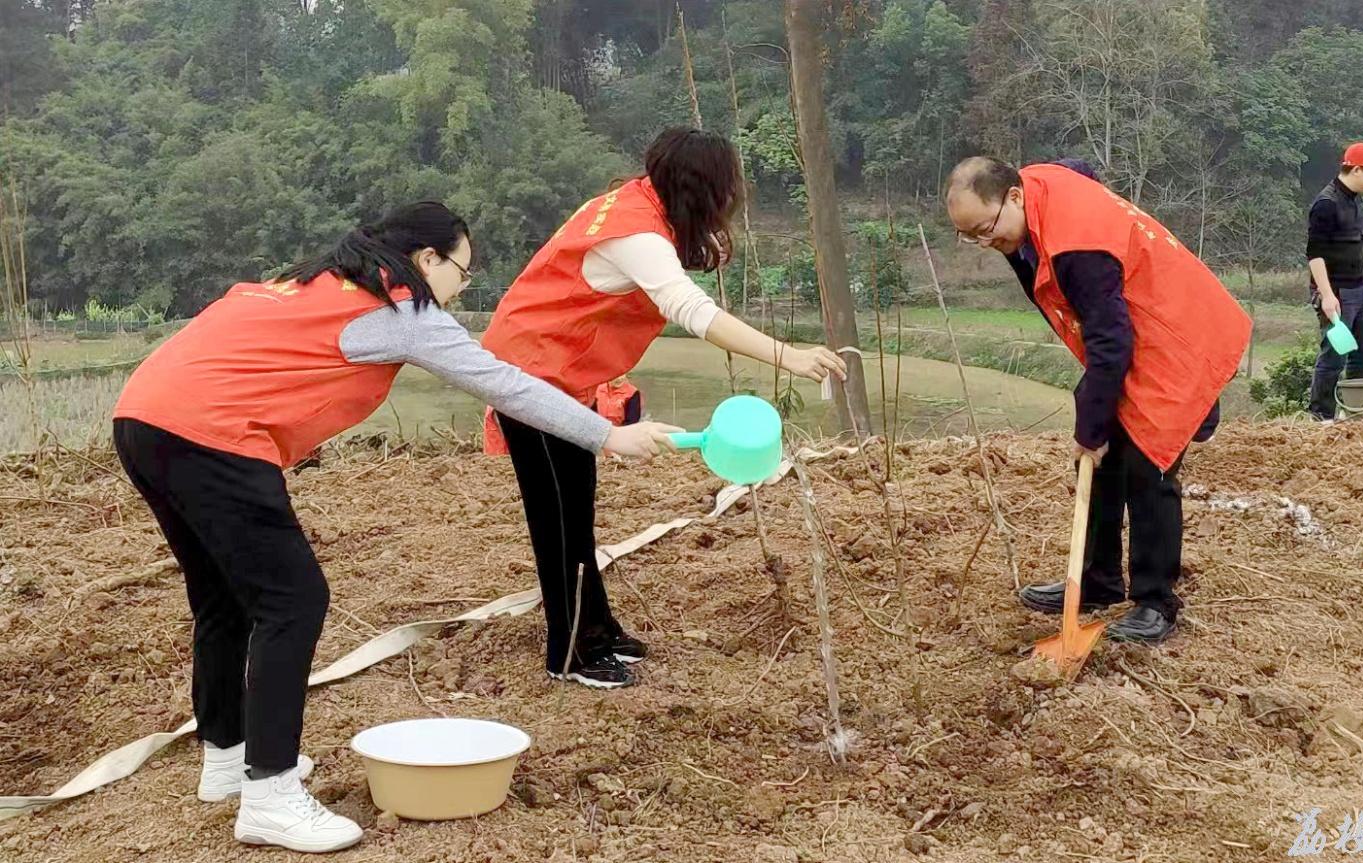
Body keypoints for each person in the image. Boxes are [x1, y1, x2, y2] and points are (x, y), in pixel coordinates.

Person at [111, 202, 680, 853]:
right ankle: (270, 796)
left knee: (223, 597)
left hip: (142, 419)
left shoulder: (315, 283)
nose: (462, 288)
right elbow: (504, 382)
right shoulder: (402, 310)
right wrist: (607, 432)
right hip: (210, 434)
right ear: (427, 259)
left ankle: (227, 760)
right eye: (462, 271)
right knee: (294, 600)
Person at [482, 127, 847, 689]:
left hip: (560, 369)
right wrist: (789, 356)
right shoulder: (637, 234)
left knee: (575, 504)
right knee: (556, 516)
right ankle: (569, 655)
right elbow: (693, 313)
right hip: (530, 372)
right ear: (703, 188)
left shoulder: (633, 204)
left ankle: (596, 628)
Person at [944, 157, 1251, 643]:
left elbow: (1112, 345)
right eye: (970, 236)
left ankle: (1156, 602)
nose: (985, 243)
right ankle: (1097, 582)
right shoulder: (1031, 192)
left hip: (1175, 333)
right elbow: (1079, 168)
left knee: (1147, 463)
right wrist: (1095, 430)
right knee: (1101, 456)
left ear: (1015, 197)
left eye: (985, 230)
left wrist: (1089, 432)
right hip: (1132, 325)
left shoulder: (1078, 248)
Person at [1306, 142, 1363, 420]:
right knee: (1334, 357)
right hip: (1338, 293)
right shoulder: (1326, 204)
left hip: (1360, 289)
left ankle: (1355, 413)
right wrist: (1328, 296)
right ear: (1357, 169)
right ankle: (1321, 416)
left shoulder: (1354, 199)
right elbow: (1315, 255)